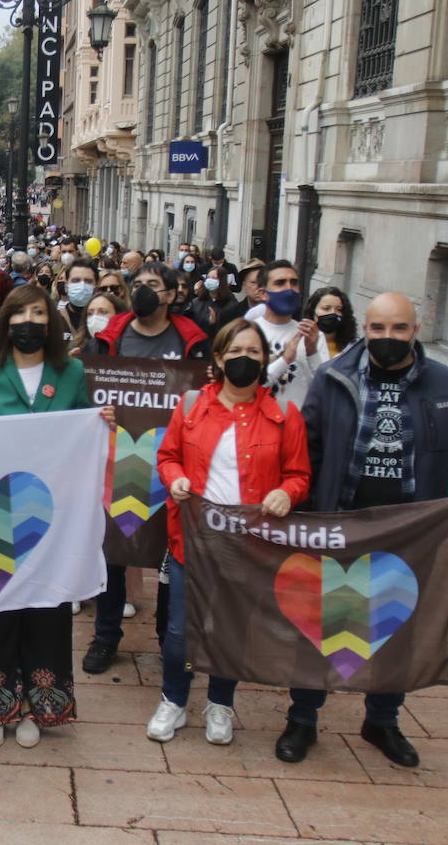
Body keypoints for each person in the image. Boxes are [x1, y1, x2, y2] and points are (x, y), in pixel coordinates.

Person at [277, 292, 448, 766]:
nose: (388, 338)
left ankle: (383, 719)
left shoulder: (447, 383)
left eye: (399, 329)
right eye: (378, 329)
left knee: (398, 629)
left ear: (415, 330)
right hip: (341, 524)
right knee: (321, 623)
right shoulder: (334, 378)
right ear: (365, 330)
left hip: (411, 532)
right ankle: (303, 718)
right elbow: (307, 447)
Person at [0, 283, 109, 749]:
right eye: (19, 313)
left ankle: (35, 706)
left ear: (52, 322)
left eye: (39, 314)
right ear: (7, 321)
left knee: (45, 610)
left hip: (52, 517)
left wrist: (102, 425)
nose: (29, 322)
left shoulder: (71, 373)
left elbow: (82, 433)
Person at [152, 318, 310, 745]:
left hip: (249, 545)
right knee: (181, 629)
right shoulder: (189, 407)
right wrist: (175, 478)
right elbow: (167, 457)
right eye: (235, 352)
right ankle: (174, 699)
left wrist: (286, 493)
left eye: (254, 352)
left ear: (266, 360)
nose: (244, 359)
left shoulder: (284, 416)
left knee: (232, 627)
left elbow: (299, 475)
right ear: (218, 359)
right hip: (194, 540)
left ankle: (220, 703)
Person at [81, 262, 208, 674]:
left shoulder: (193, 342)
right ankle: (105, 637)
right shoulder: (109, 339)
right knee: (114, 552)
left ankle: (168, 638)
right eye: (138, 284)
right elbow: (91, 395)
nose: (143, 291)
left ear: (172, 295)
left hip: (175, 463)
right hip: (120, 460)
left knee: (171, 553)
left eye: (153, 285)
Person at [256, 260, 327, 410]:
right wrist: (284, 360)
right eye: (280, 283)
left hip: (297, 425)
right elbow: (245, 385)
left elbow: (325, 389)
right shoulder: (249, 331)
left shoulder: (312, 336)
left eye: (294, 283)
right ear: (263, 293)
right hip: (257, 424)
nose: (289, 289)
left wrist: (312, 352)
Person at [304, 287, 359, 358]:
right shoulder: (301, 342)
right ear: (313, 312)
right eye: (326, 308)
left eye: (339, 309)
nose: (333, 313)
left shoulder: (353, 347)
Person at [190, 266, 239, 338]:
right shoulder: (197, 302)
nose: (210, 280)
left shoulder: (231, 305)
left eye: (214, 278)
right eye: (208, 277)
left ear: (222, 281)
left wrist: (213, 324)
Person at [58, 259, 99, 339]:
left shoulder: (103, 319)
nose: (82, 285)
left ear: (96, 287)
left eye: (88, 281)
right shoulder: (55, 319)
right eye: (76, 280)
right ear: (66, 285)